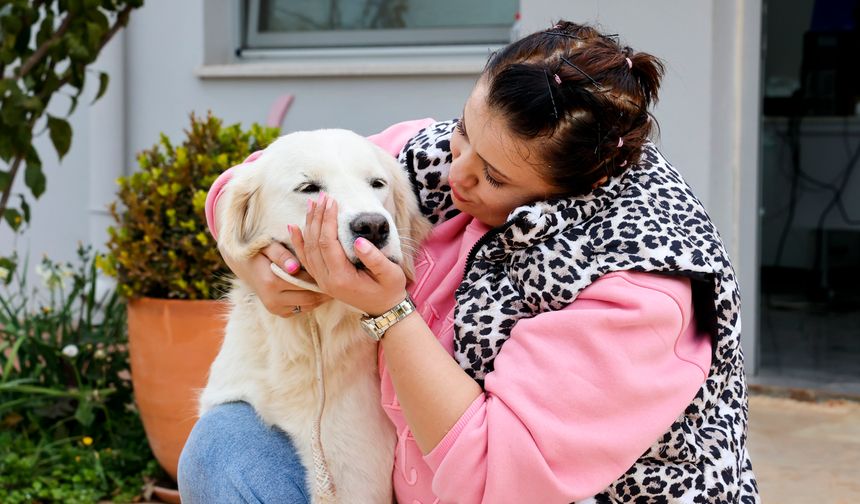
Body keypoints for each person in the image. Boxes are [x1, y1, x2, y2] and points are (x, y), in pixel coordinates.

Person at [178, 21, 759, 503]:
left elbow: (494, 482)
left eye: (494, 176)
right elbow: (276, 174)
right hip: (397, 478)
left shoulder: (639, 294)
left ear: (574, 187)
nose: (455, 174)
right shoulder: (466, 154)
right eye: (463, 132)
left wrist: (390, 313)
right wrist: (248, 255)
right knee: (225, 447)